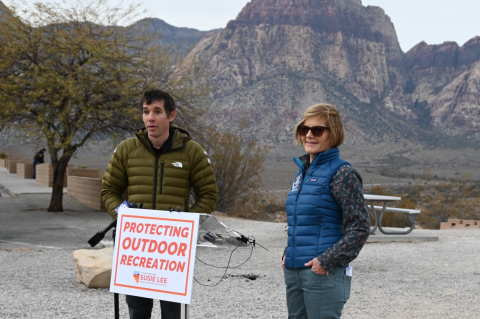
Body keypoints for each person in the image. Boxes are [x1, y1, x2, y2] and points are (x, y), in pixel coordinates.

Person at [101, 88, 218, 319]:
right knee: (137, 311)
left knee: (173, 313)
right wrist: (123, 215)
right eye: (146, 112)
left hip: (173, 249)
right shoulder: (126, 149)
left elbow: (209, 196)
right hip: (136, 246)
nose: (150, 118)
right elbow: (109, 190)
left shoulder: (192, 151)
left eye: (157, 111)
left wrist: (186, 222)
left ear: (171, 115)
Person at [282, 104, 370, 319]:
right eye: (304, 129)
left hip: (322, 273)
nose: (309, 135)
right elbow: (302, 221)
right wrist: (288, 253)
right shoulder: (301, 173)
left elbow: (360, 228)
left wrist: (327, 261)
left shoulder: (343, 173)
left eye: (318, 130)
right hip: (294, 270)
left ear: (334, 133)